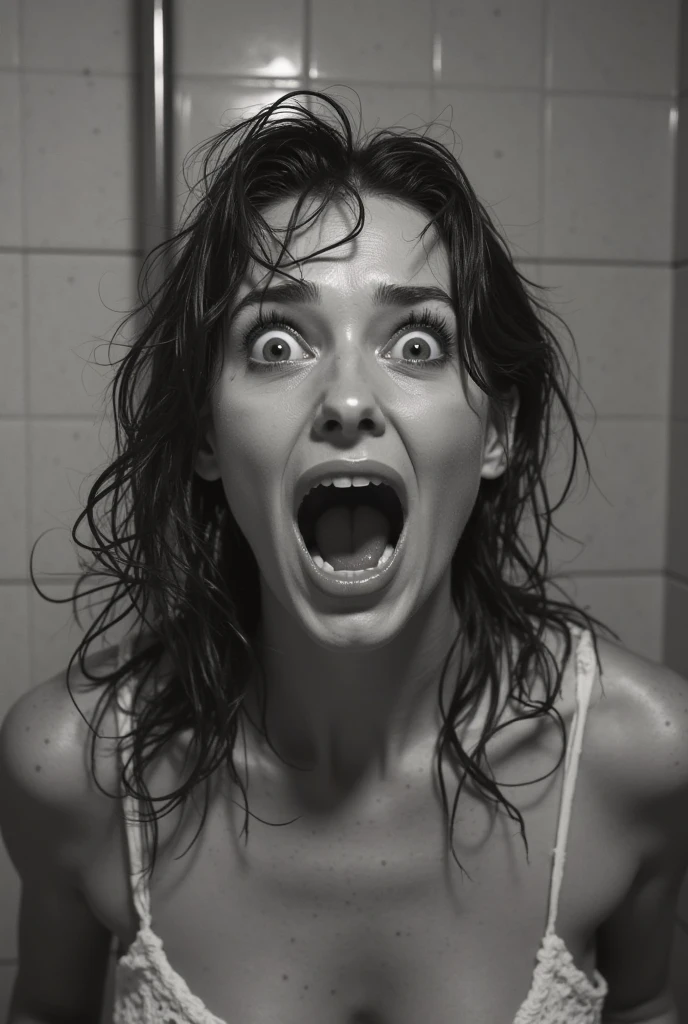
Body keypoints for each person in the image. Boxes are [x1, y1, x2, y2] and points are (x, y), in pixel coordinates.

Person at [1, 89, 686, 1024]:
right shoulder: (72, 767)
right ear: (205, 432)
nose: (348, 398)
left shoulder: (643, 754)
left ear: (498, 434)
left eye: (416, 341)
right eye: (277, 343)